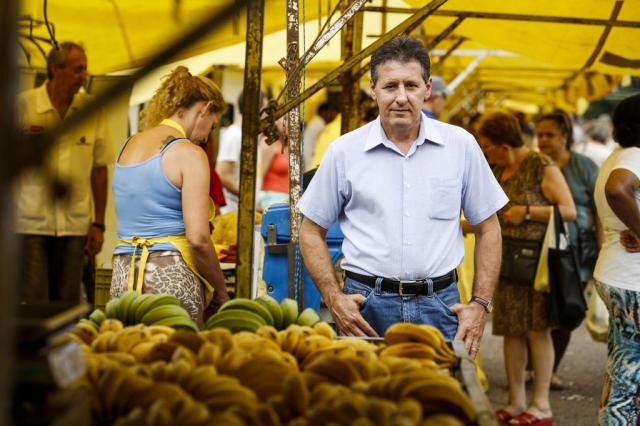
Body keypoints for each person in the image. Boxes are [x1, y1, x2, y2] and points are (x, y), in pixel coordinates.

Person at [298, 35, 507, 359]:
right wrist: (333, 297)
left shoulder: (460, 146)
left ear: (427, 88)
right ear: (373, 89)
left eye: (410, 86)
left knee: (436, 401)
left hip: (440, 305)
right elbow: (310, 230)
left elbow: (488, 228)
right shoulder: (344, 151)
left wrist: (480, 304)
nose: (400, 97)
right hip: (365, 306)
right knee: (365, 402)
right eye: (390, 86)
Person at [478, 111, 577, 425]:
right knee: (511, 330)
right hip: (503, 263)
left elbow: (569, 210)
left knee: (537, 330)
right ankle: (517, 400)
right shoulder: (497, 169)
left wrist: (528, 212)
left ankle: (541, 404)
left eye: (488, 147)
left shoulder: (540, 166)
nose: (485, 152)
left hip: (537, 265)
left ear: (504, 146)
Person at [110, 66, 229, 325]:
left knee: (126, 358)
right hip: (170, 275)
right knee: (174, 361)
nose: (208, 135)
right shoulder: (189, 153)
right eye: (213, 125)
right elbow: (198, 239)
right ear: (205, 109)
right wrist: (221, 293)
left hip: (123, 272)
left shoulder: (128, 145)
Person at [14, 41, 109, 303]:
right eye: (78, 70)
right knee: (35, 302)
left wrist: (98, 224)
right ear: (55, 70)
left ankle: (65, 345)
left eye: (85, 70)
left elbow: (99, 169)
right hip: (29, 223)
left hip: (75, 226)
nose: (84, 77)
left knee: (68, 305)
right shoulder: (24, 106)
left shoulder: (92, 110)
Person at [535, 111, 600, 390]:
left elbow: (598, 210)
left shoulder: (584, 166)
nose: (543, 140)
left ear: (565, 136)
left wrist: (600, 250)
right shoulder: (535, 165)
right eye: (539, 135)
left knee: (568, 311)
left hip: (579, 249)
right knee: (538, 312)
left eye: (549, 135)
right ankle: (535, 367)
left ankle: (550, 370)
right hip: (542, 249)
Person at [593, 94, 640, 425]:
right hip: (631, 280)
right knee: (628, 378)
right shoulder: (634, 157)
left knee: (621, 368)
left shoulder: (618, 155)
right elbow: (617, 190)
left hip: (618, 272)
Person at [303, 102, 338, 170]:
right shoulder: (319, 124)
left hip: (308, 155)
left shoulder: (316, 121)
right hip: (310, 156)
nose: (333, 116)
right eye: (331, 113)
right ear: (323, 112)